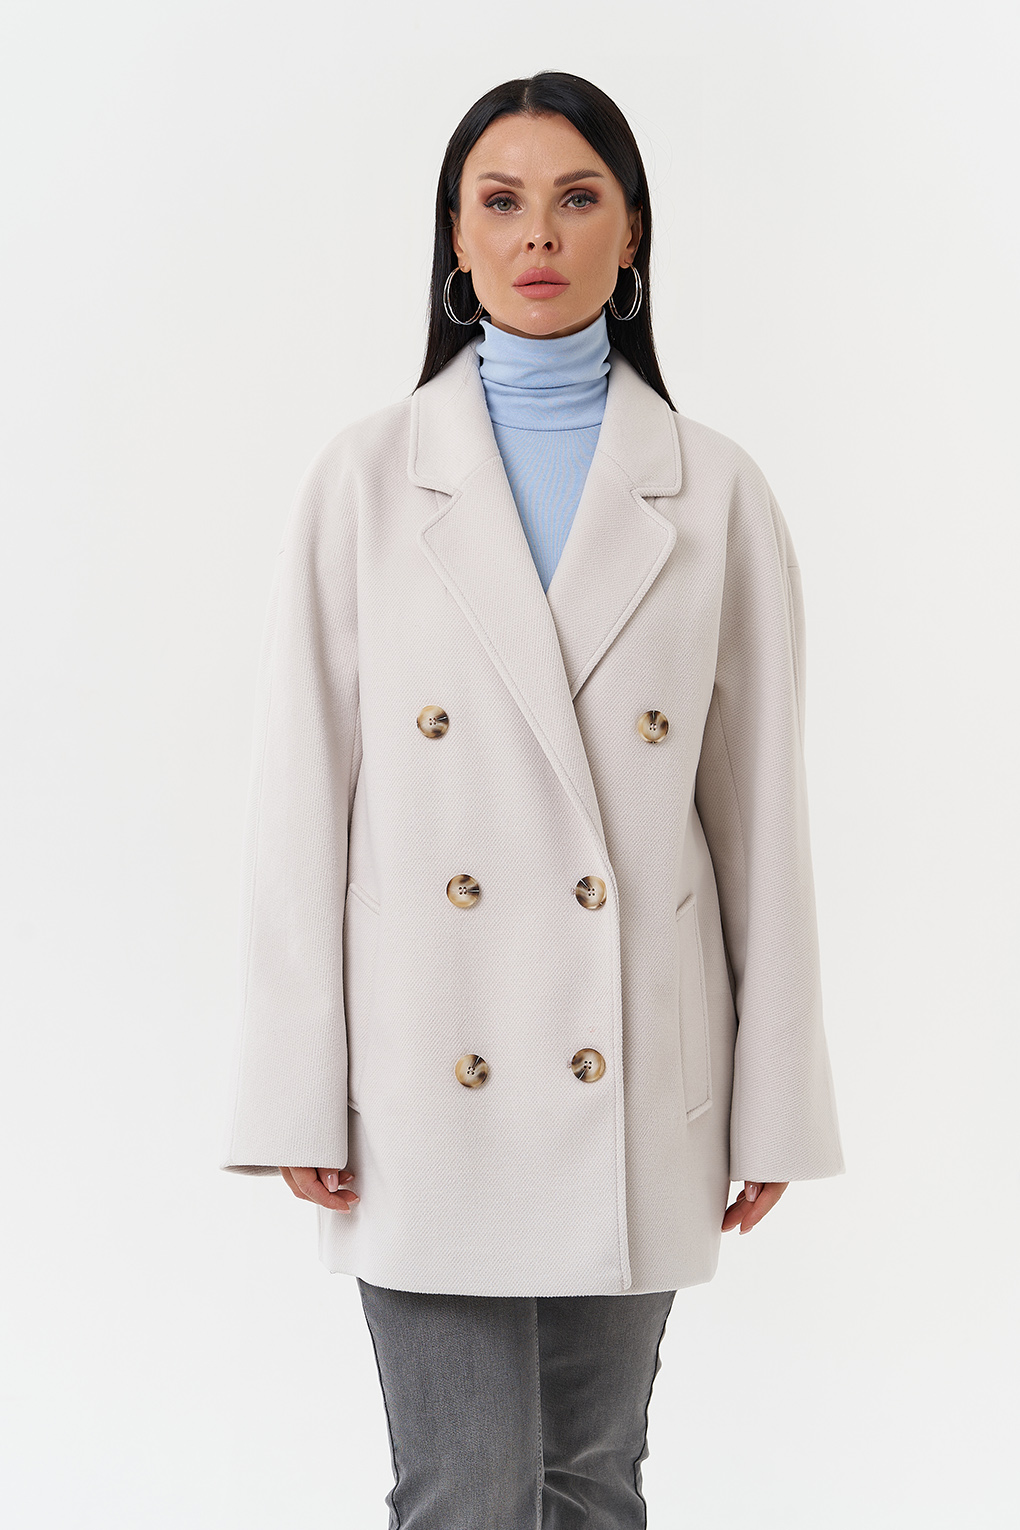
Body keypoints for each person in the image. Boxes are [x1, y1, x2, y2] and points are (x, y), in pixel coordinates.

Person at [219, 70, 845, 1528]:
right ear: (456, 238)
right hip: (424, 1075)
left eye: (577, 198)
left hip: (628, 1066)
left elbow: (762, 823)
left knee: (592, 1480)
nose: (538, 235)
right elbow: (299, 804)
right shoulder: (367, 482)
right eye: (499, 202)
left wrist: (772, 1099)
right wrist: (298, 1079)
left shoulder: (714, 491)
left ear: (634, 233)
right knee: (465, 1491)